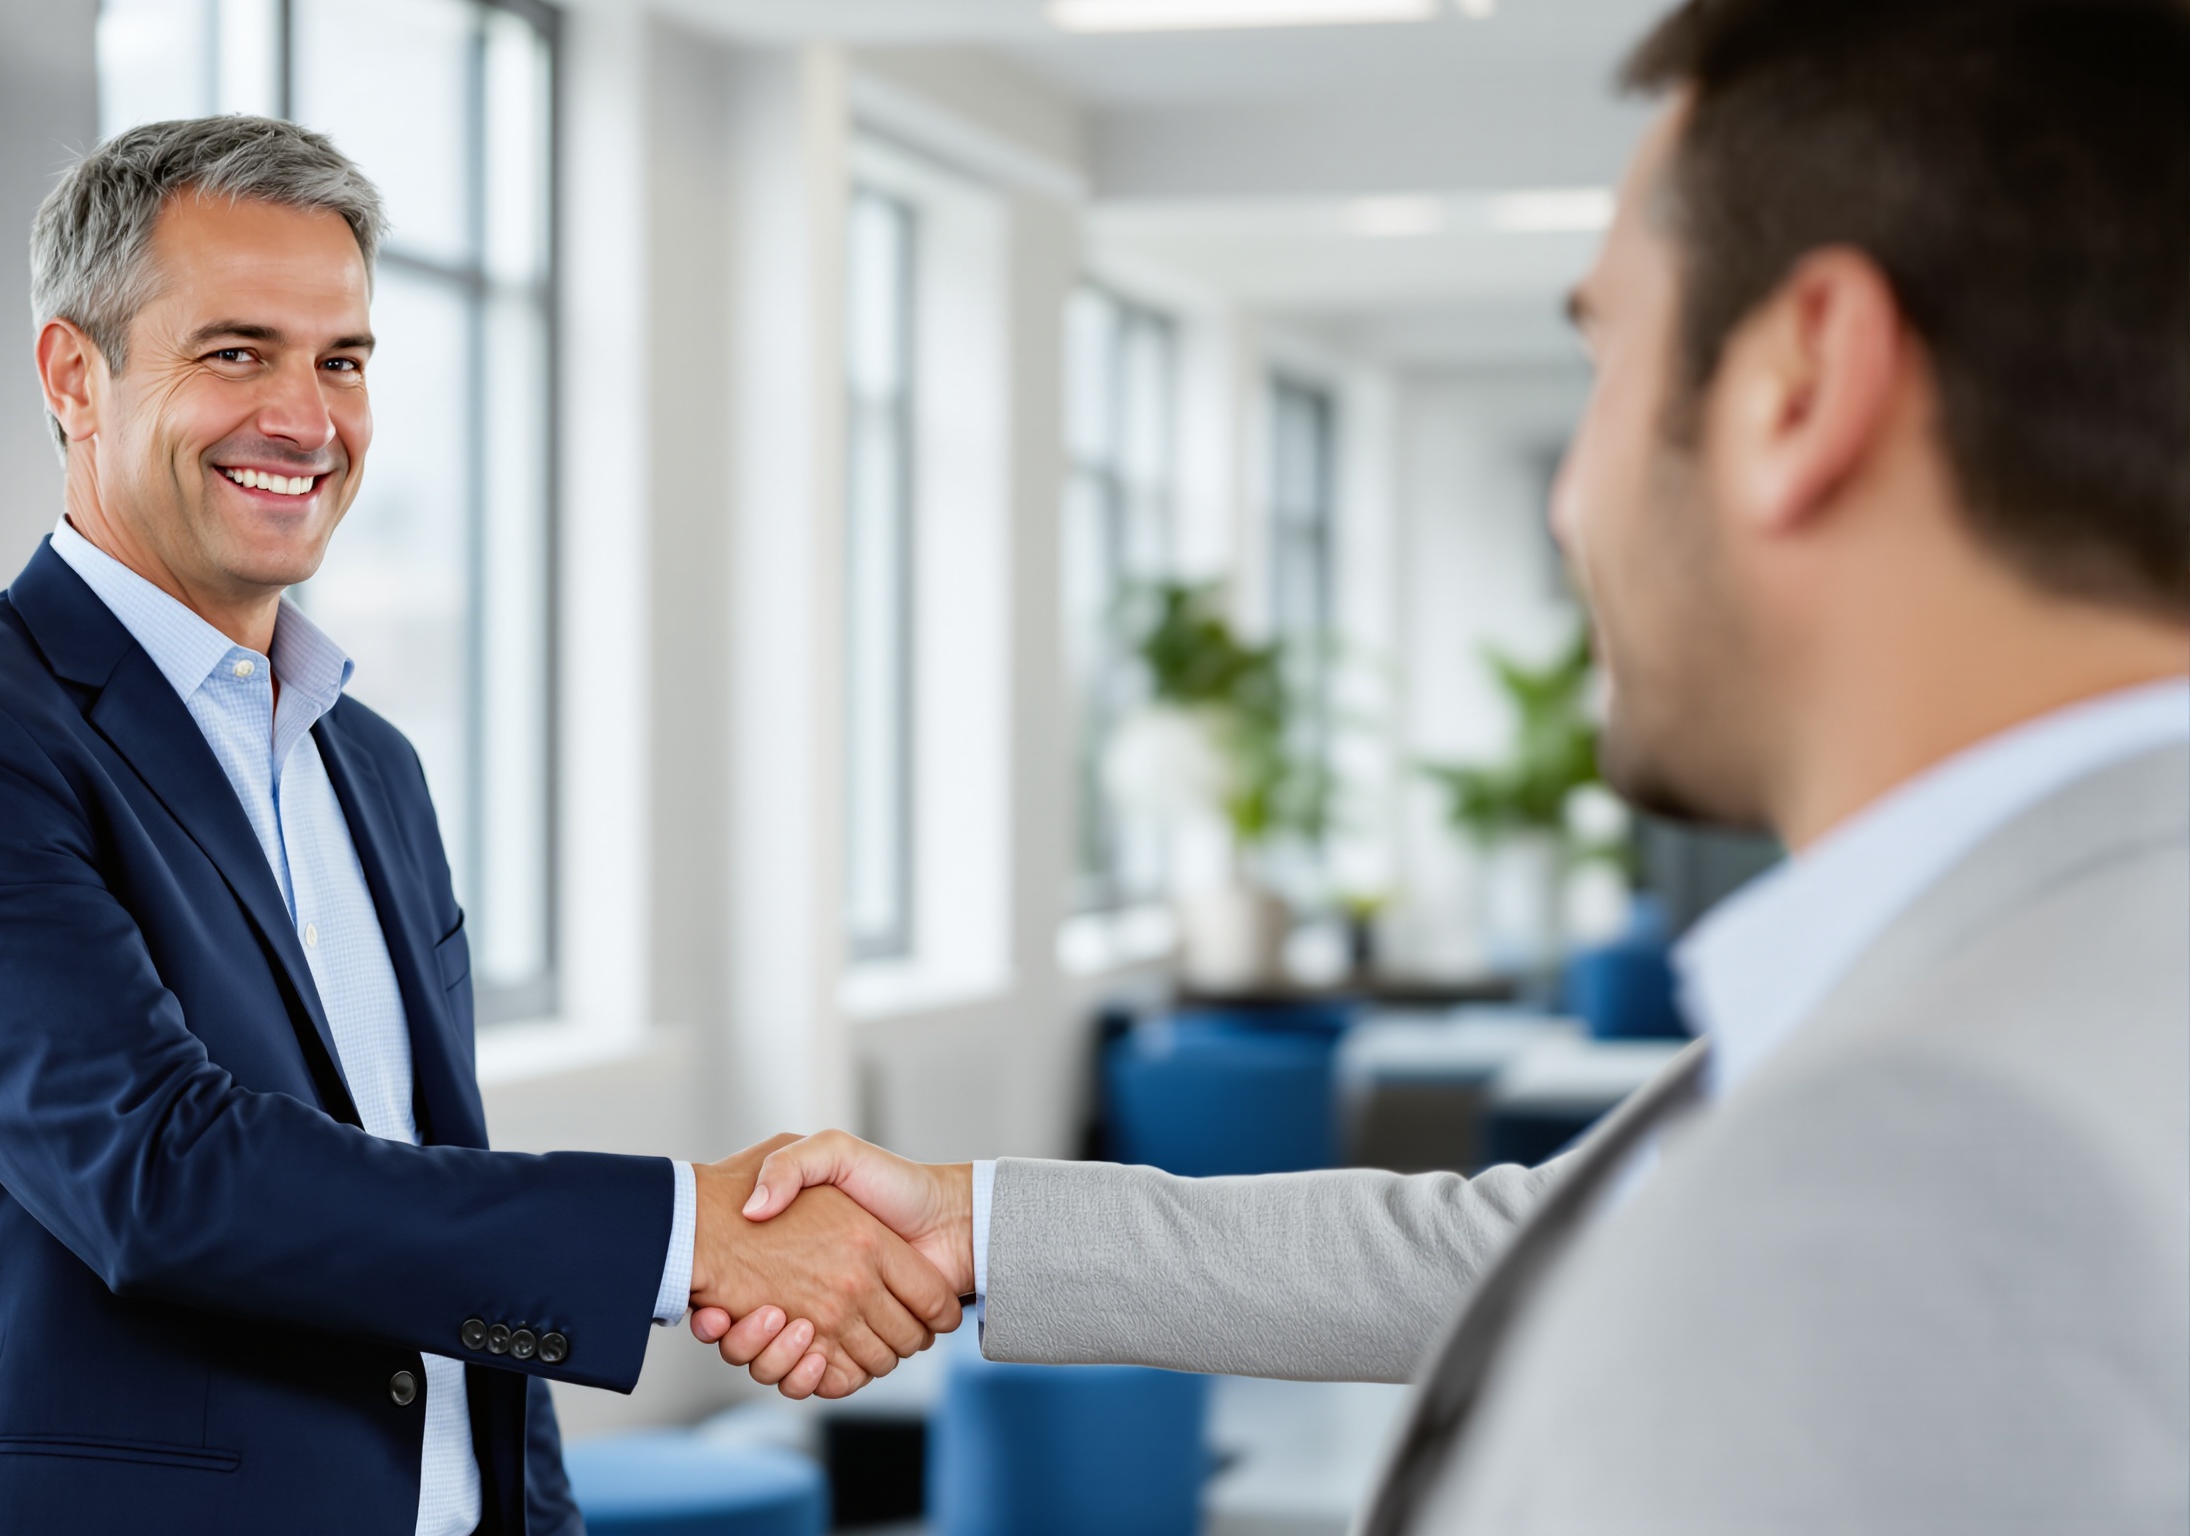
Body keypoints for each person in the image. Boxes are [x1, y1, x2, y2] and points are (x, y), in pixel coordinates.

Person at [707, 0, 2190, 1529]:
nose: (1570, 503)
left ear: (1802, 383)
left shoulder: (1929, 1138)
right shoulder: (2055, 966)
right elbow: (1547, 1242)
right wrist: (980, 1228)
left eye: (1607, 357)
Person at [0, 116, 960, 1536]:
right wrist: (684, 1237)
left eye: (340, 360)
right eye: (236, 352)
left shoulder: (371, 766)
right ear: (73, 375)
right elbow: (163, 1174)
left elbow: (423, 1182)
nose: (305, 418)